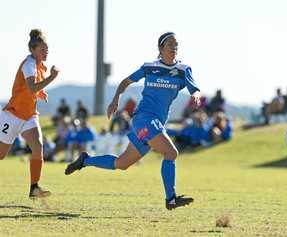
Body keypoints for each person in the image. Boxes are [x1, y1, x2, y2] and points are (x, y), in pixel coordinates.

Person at [65, 32, 201, 210]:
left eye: (176, 44)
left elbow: (194, 88)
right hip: (143, 119)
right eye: (170, 45)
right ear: (160, 48)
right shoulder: (149, 67)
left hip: (156, 123)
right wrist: (116, 99)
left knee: (121, 163)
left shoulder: (183, 70)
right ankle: (171, 198)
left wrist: (196, 96)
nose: (174, 48)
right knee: (171, 153)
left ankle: (85, 160)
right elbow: (125, 81)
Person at [0, 29, 59, 198]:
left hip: (29, 116)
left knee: (38, 147)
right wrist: (52, 77)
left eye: (47, 49)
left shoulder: (39, 66)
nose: (46, 51)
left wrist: (40, 93)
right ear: (33, 50)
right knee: (1, 155)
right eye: (42, 49)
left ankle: (34, 188)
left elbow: (31, 89)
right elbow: (32, 87)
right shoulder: (28, 64)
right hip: (12, 115)